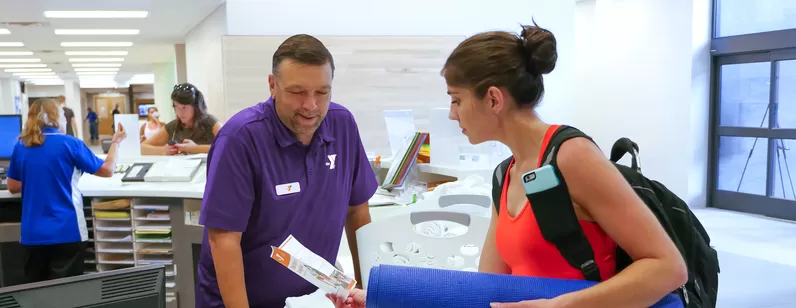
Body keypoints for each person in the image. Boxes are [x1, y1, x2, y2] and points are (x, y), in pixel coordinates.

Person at [329, 24, 687, 308]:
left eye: (456, 100)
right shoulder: (506, 174)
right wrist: (381, 299)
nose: (452, 114)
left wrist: (560, 307)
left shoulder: (572, 156)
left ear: (494, 98)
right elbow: (484, 291)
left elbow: (668, 268)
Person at [196, 34, 378, 308]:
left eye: (322, 92)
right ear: (272, 85)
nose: (311, 106)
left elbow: (358, 212)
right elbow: (223, 240)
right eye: (297, 92)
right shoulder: (240, 138)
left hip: (316, 299)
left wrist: (368, 294)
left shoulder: (342, 125)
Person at [5, 98, 127, 283]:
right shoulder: (70, 144)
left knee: (35, 294)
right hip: (67, 232)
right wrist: (116, 142)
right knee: (66, 294)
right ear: (56, 119)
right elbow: (108, 170)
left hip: (33, 235)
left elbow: (12, 186)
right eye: (63, 115)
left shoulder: (22, 146)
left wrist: (37, 178)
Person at [141, 83, 221, 155]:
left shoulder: (210, 122)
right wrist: (164, 150)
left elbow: (229, 146)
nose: (180, 112)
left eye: (184, 107)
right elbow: (143, 148)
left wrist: (195, 148)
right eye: (176, 107)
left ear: (195, 106)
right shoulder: (173, 126)